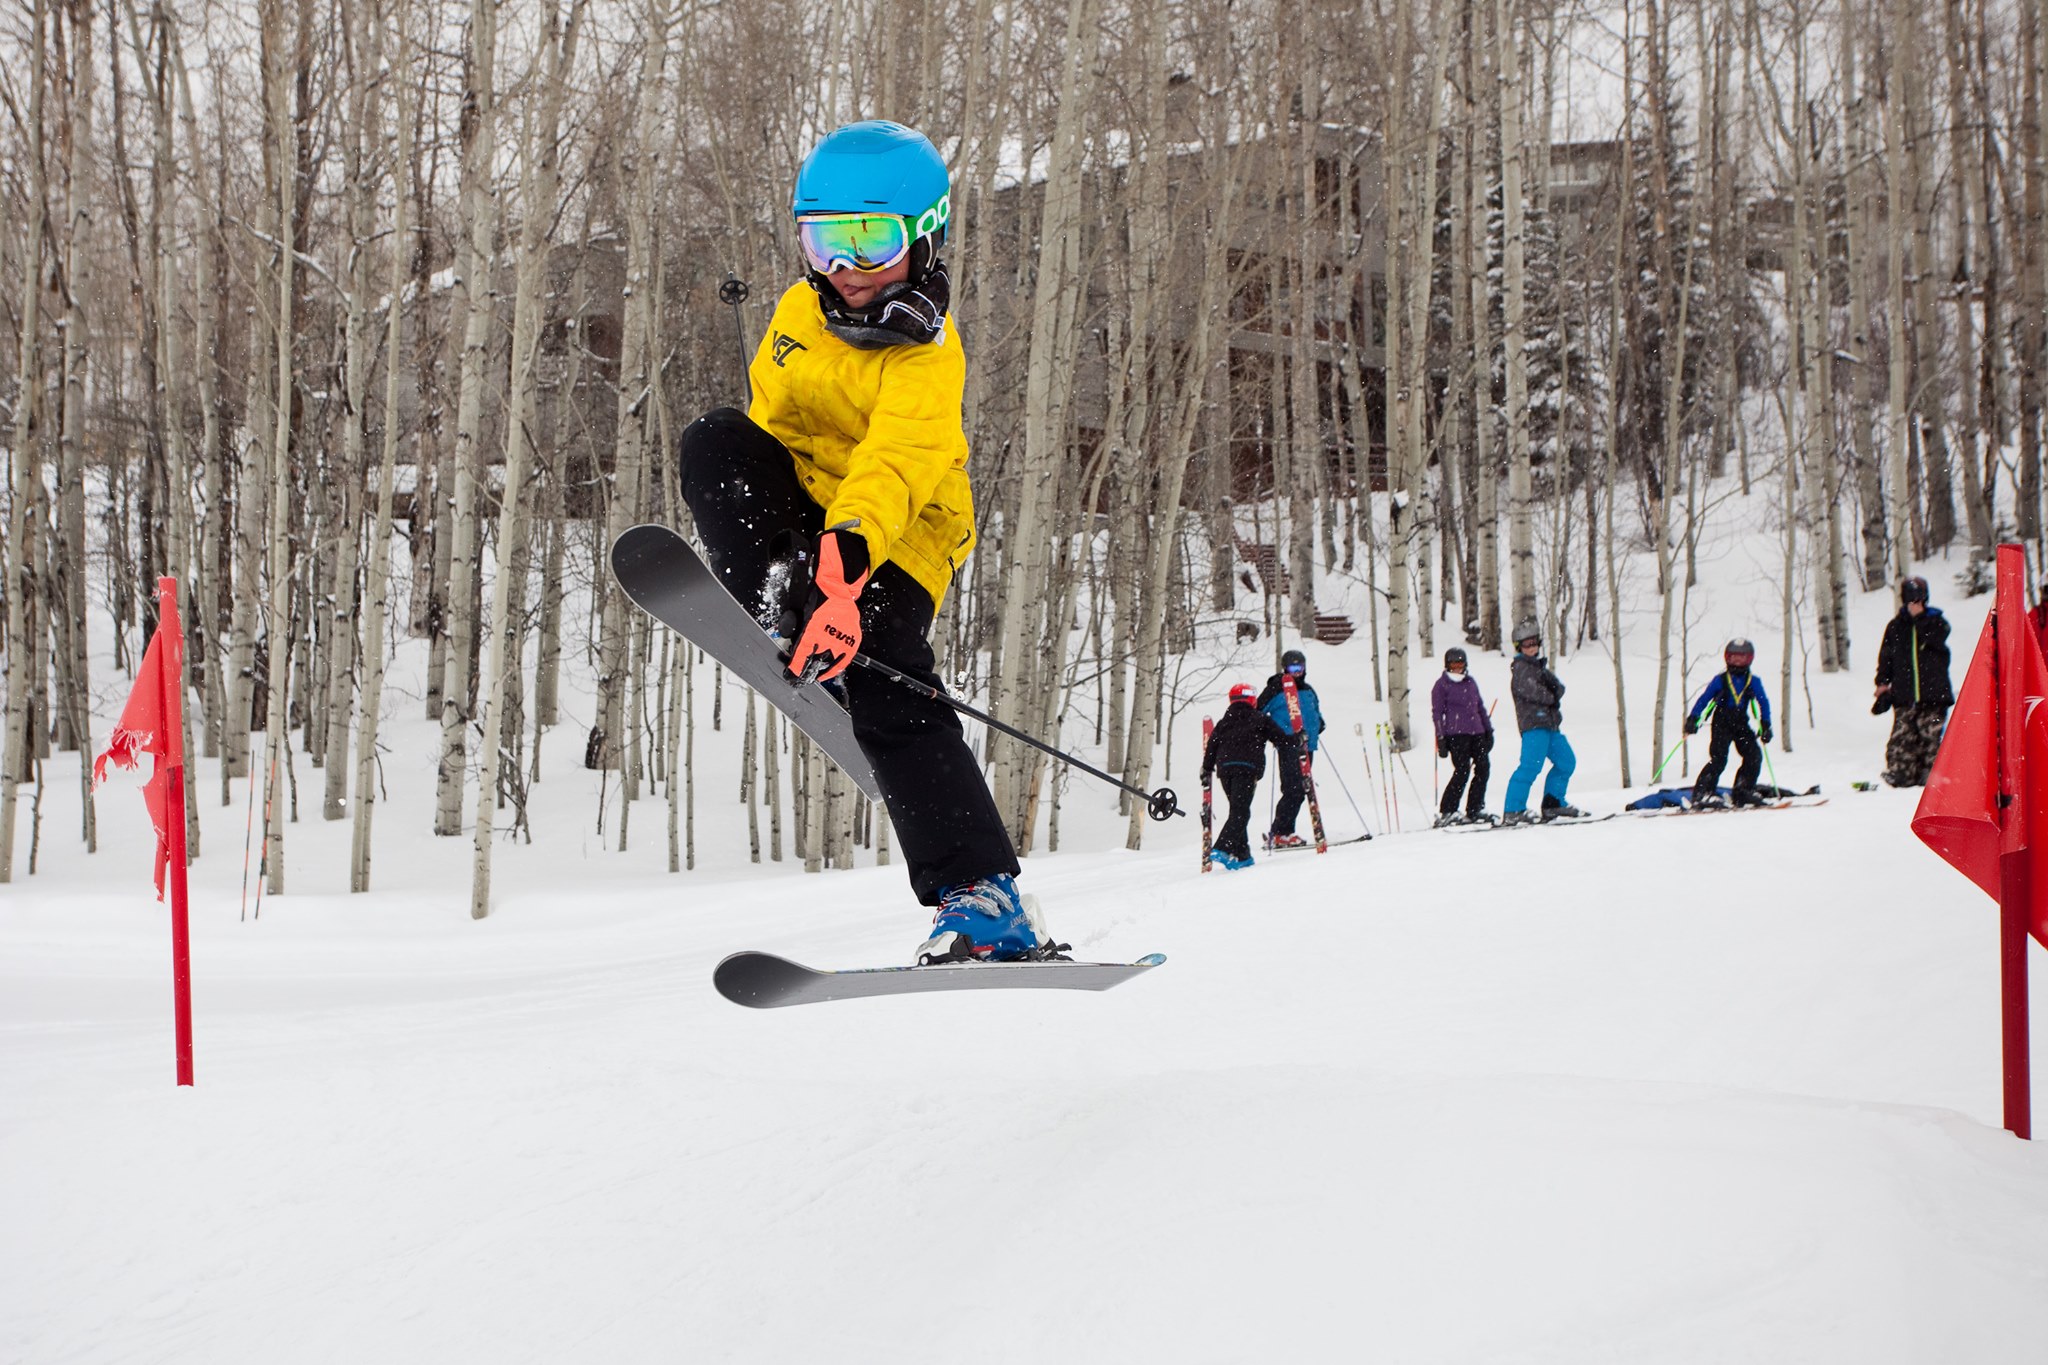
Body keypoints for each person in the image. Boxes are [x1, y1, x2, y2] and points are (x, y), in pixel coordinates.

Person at [676, 120, 1045, 965]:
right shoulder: (799, 311)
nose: (843, 267)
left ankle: (985, 894)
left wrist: (837, 586)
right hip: (817, 519)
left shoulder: (927, 356)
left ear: (922, 238)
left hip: (903, 531)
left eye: (868, 242)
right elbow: (773, 435)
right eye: (823, 239)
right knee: (715, 439)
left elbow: (889, 473)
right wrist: (783, 558)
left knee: (883, 656)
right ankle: (784, 606)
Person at [1202, 683, 1301, 870]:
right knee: (1241, 812)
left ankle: (1242, 855)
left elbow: (1212, 745)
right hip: (1247, 768)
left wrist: (1206, 769)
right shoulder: (1259, 718)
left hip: (1225, 771)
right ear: (1251, 699)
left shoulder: (1224, 722)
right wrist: (1298, 738)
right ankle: (1222, 847)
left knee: (1237, 810)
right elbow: (1282, 740)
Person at [1873, 575, 1953, 787]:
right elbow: (1886, 657)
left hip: (1933, 695)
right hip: (1905, 695)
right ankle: (1901, 773)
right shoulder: (1896, 627)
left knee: (1931, 738)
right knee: (1902, 738)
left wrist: (1920, 620)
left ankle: (1933, 777)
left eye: (1918, 599)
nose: (1914, 604)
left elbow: (1937, 639)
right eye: (1910, 599)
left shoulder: (1937, 622)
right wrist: (1882, 683)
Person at [1502, 619, 1584, 825]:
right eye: (1526, 644)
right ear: (1519, 647)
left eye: (1534, 643)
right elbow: (1539, 693)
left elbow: (1559, 688)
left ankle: (1553, 802)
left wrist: (1552, 691)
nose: (1531, 648)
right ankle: (1513, 809)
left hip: (1550, 726)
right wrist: (1551, 694)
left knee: (1566, 762)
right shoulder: (1521, 668)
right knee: (1530, 766)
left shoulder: (1538, 667)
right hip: (1533, 726)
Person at [1685, 638, 1773, 807]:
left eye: (1742, 657)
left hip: (1741, 723)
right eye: (1734, 657)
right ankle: (1703, 793)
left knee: (1753, 755)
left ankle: (1743, 791)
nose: (1738, 661)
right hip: (1722, 722)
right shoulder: (1720, 680)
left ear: (1749, 659)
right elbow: (1704, 699)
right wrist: (1693, 718)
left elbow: (1763, 702)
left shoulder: (1753, 681)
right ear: (1727, 658)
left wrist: (1766, 724)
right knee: (1719, 759)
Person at [1255, 648, 1323, 848]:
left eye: (1300, 667)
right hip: (1288, 744)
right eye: (1293, 667)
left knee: (1302, 788)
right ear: (1285, 668)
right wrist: (1273, 733)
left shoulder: (1308, 689)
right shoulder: (1276, 688)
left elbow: (1314, 710)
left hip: (1308, 744)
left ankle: (1284, 831)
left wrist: (1319, 724)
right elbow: (1258, 712)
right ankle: (1280, 832)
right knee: (1293, 788)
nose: (1297, 672)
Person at [1431, 646, 1495, 826]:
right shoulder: (1442, 685)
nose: (1458, 667)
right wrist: (1441, 738)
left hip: (1477, 732)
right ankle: (1448, 810)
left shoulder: (1470, 682)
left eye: (1460, 663)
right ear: (1447, 665)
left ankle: (1475, 808)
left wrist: (1488, 730)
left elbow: (1480, 707)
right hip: (1456, 735)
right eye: (1454, 664)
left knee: (1483, 768)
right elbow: (1437, 714)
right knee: (1462, 771)